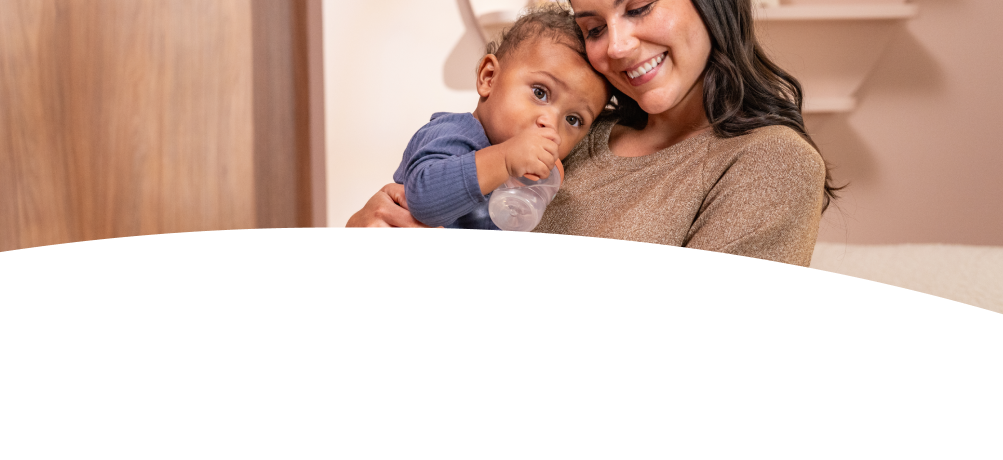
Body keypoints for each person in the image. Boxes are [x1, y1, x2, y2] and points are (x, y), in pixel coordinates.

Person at [348, 0, 840, 267]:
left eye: (640, 6)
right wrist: (366, 229)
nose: (619, 46)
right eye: (594, 27)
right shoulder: (570, 134)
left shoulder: (768, 163)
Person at [393, 5, 608, 229]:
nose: (551, 125)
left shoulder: (528, 175)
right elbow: (422, 200)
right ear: (489, 77)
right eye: (540, 93)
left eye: (572, 119)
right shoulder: (453, 133)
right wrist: (505, 159)